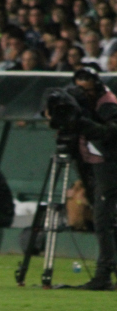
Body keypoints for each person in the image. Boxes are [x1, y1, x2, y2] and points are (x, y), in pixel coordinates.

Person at [69, 68, 117, 290]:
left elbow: (111, 133)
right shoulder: (79, 102)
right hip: (94, 163)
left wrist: (84, 123)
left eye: (86, 90)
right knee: (104, 220)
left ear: (96, 86)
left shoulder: (107, 103)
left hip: (109, 164)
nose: (83, 95)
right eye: (80, 90)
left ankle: (103, 274)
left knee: (103, 220)